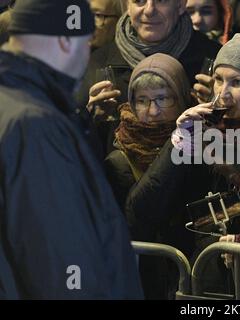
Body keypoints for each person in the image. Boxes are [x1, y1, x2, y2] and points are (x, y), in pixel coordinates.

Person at [126, 30, 240, 298]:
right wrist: (180, 140)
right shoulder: (203, 138)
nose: (222, 93)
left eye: (236, 82)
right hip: (200, 287)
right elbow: (141, 212)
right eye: (218, 79)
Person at [0, 0, 142, 299]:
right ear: (66, 41)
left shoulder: (14, 104)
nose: (88, 53)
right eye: (86, 41)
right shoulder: (35, 125)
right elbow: (63, 258)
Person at [79, 0, 221, 157]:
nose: (149, 10)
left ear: (180, 5)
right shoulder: (96, 63)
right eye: (139, 1)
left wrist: (218, 110)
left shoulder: (214, 60)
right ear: (127, 6)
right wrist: (90, 119)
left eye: (161, 1)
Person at [104, 53, 192, 211]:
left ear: (182, 98)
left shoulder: (203, 144)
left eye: (163, 99)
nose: (153, 111)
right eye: (142, 101)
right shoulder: (119, 161)